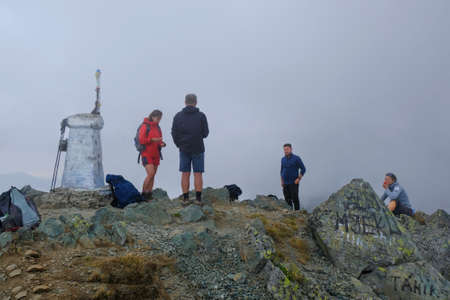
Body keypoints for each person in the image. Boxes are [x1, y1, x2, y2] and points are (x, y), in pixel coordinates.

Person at [171, 94, 209, 205]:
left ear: (185, 102)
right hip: (198, 148)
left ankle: (186, 199)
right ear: (196, 102)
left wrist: (179, 144)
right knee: (198, 174)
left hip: (184, 149)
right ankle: (198, 199)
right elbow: (206, 133)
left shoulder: (178, 116)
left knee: (185, 173)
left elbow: (174, 133)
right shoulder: (201, 116)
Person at [139, 110, 166, 201]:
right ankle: (143, 194)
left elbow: (159, 140)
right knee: (150, 174)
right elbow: (141, 140)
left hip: (156, 154)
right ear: (152, 116)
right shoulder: (145, 126)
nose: (159, 120)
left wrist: (162, 143)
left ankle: (149, 195)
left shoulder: (158, 127)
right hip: (146, 154)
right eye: (158, 118)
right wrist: (152, 139)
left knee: (153, 175)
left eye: (160, 119)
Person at [280, 144, 306, 211]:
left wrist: (299, 179)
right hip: (285, 183)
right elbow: (282, 170)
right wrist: (282, 181)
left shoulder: (296, 158)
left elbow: (303, 169)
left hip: (294, 182)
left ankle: (297, 213)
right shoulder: (283, 159)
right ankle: (290, 214)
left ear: (291, 149)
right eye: (284, 150)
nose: (286, 151)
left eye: (287, 149)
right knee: (287, 199)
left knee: (295, 199)